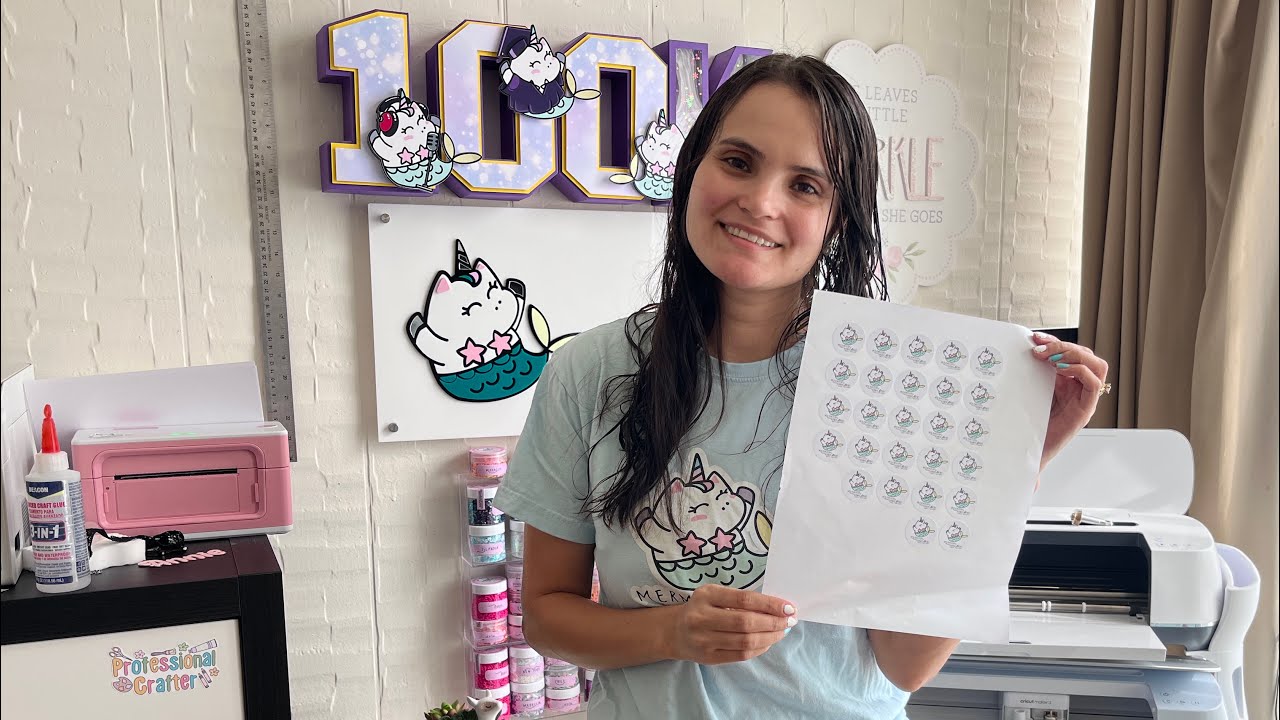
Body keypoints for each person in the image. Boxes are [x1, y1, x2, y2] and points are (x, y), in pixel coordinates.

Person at [493, 53, 1109, 720]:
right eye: (738, 161)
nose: (761, 202)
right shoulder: (588, 371)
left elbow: (906, 665)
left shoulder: (888, 389)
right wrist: (672, 633)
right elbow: (546, 617)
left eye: (806, 186)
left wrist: (1010, 467)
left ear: (837, 219)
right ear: (692, 168)